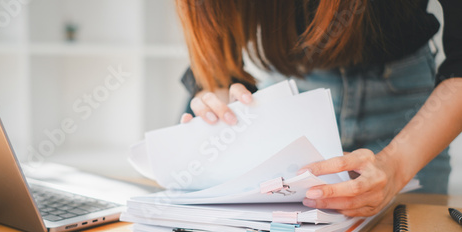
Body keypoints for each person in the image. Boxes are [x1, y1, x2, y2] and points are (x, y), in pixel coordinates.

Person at [175, 0, 462, 217]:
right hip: (289, 94)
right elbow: (217, 44)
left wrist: (397, 167)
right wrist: (221, 97)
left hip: (409, 111)